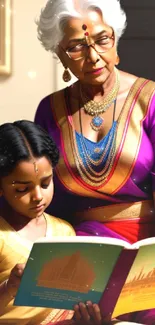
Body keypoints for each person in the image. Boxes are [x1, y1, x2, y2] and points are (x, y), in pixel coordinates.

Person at [35, 0, 155, 323]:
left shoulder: (150, 99)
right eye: (76, 47)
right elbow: (45, 197)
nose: (93, 56)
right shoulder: (49, 110)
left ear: (115, 38)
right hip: (83, 253)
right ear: (60, 54)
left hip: (147, 247)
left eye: (103, 39)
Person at [0, 120, 107, 325]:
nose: (38, 196)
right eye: (23, 189)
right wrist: (9, 287)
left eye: (46, 183)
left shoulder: (64, 231)